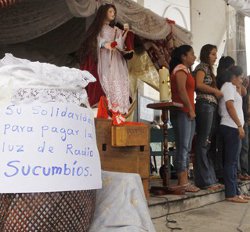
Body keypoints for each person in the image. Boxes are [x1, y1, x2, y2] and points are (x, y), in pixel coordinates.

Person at [78, 3, 130, 125]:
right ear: (104, 13)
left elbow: (120, 43)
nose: (113, 14)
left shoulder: (115, 30)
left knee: (115, 80)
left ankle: (115, 109)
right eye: (111, 11)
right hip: (104, 57)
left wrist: (124, 33)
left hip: (115, 58)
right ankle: (105, 106)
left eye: (114, 12)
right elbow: (96, 40)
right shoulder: (98, 28)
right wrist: (105, 44)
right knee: (105, 79)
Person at [169, 45, 200, 192]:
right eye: (192, 54)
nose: (194, 57)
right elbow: (182, 91)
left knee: (186, 147)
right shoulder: (180, 69)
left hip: (188, 111)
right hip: (182, 111)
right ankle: (182, 181)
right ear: (183, 56)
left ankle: (185, 180)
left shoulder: (186, 70)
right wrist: (189, 108)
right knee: (183, 146)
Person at [193, 44, 224, 190]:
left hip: (210, 105)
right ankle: (204, 180)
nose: (215, 56)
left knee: (208, 143)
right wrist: (215, 91)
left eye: (215, 54)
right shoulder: (202, 67)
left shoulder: (209, 69)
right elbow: (198, 85)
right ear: (206, 54)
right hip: (204, 104)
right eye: (212, 54)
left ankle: (210, 178)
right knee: (203, 142)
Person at [218, 69, 250, 203]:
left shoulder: (232, 87)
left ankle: (236, 192)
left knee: (233, 162)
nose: (242, 81)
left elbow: (242, 93)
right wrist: (239, 125)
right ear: (234, 77)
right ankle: (231, 194)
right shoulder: (228, 86)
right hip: (230, 126)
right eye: (240, 78)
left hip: (233, 127)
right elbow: (230, 106)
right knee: (231, 162)